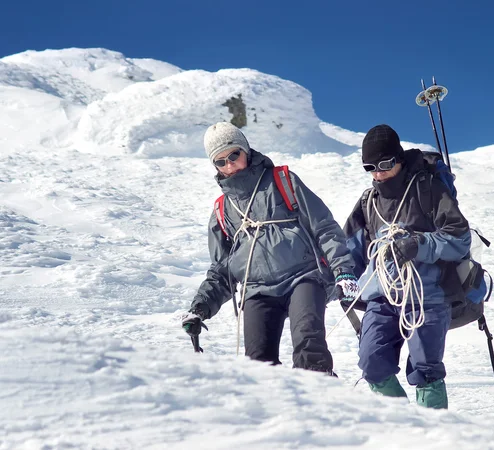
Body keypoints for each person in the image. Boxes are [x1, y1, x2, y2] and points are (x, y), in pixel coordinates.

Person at [182, 122, 359, 374]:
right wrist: (200, 308)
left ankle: (322, 402)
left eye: (234, 155)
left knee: (309, 344)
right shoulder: (223, 210)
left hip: (304, 278)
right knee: (257, 363)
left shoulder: (282, 181)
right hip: (257, 290)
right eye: (221, 162)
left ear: (246, 150)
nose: (229, 164)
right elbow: (223, 270)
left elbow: (324, 227)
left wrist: (343, 271)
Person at [343, 124, 471, 408]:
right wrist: (341, 280)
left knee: (425, 369)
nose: (378, 173)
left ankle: (432, 436)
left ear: (399, 158)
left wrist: (418, 245)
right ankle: (403, 426)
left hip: (428, 294)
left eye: (385, 164)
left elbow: (460, 238)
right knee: (371, 363)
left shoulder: (429, 190)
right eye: (370, 167)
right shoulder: (369, 202)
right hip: (383, 295)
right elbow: (348, 251)